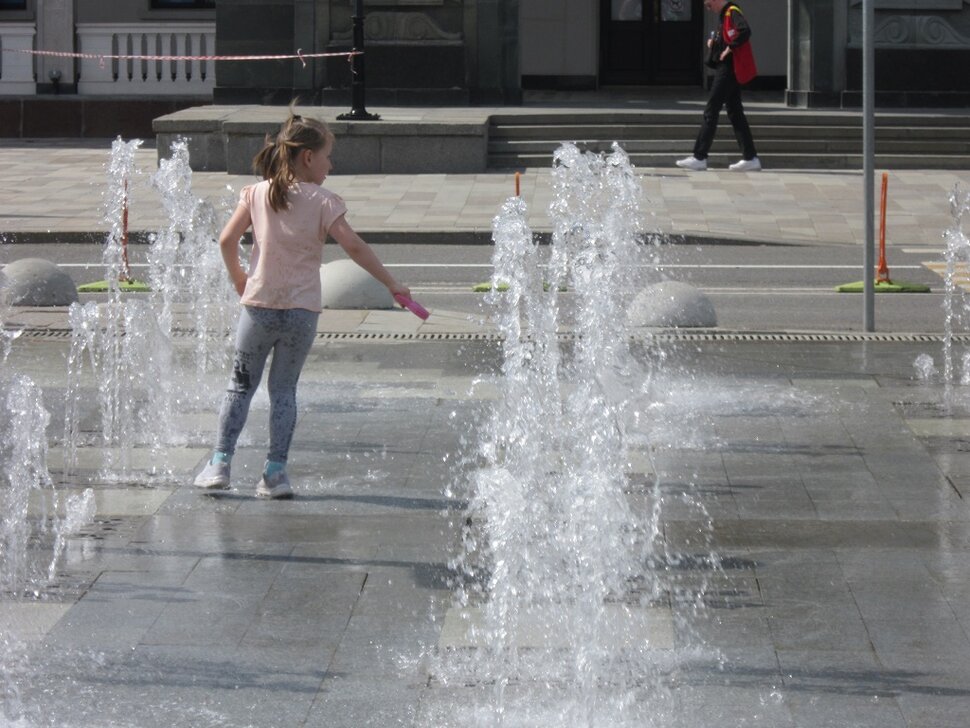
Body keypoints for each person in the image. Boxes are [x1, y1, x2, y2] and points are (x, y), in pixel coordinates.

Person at [194, 111, 411, 499]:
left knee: (239, 387)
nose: (331, 164)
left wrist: (240, 280)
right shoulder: (324, 201)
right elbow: (354, 246)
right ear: (308, 157)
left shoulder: (258, 193)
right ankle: (275, 473)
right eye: (328, 155)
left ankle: (219, 465)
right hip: (301, 314)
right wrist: (392, 284)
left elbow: (227, 240)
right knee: (284, 391)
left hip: (258, 307)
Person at [676, 0, 761, 172]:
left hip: (729, 69)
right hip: (729, 68)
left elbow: (744, 31)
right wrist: (716, 44)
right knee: (735, 112)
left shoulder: (732, 12)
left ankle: (699, 157)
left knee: (711, 109)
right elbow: (731, 35)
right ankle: (750, 157)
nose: (709, 8)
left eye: (709, 4)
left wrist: (729, 48)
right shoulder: (725, 15)